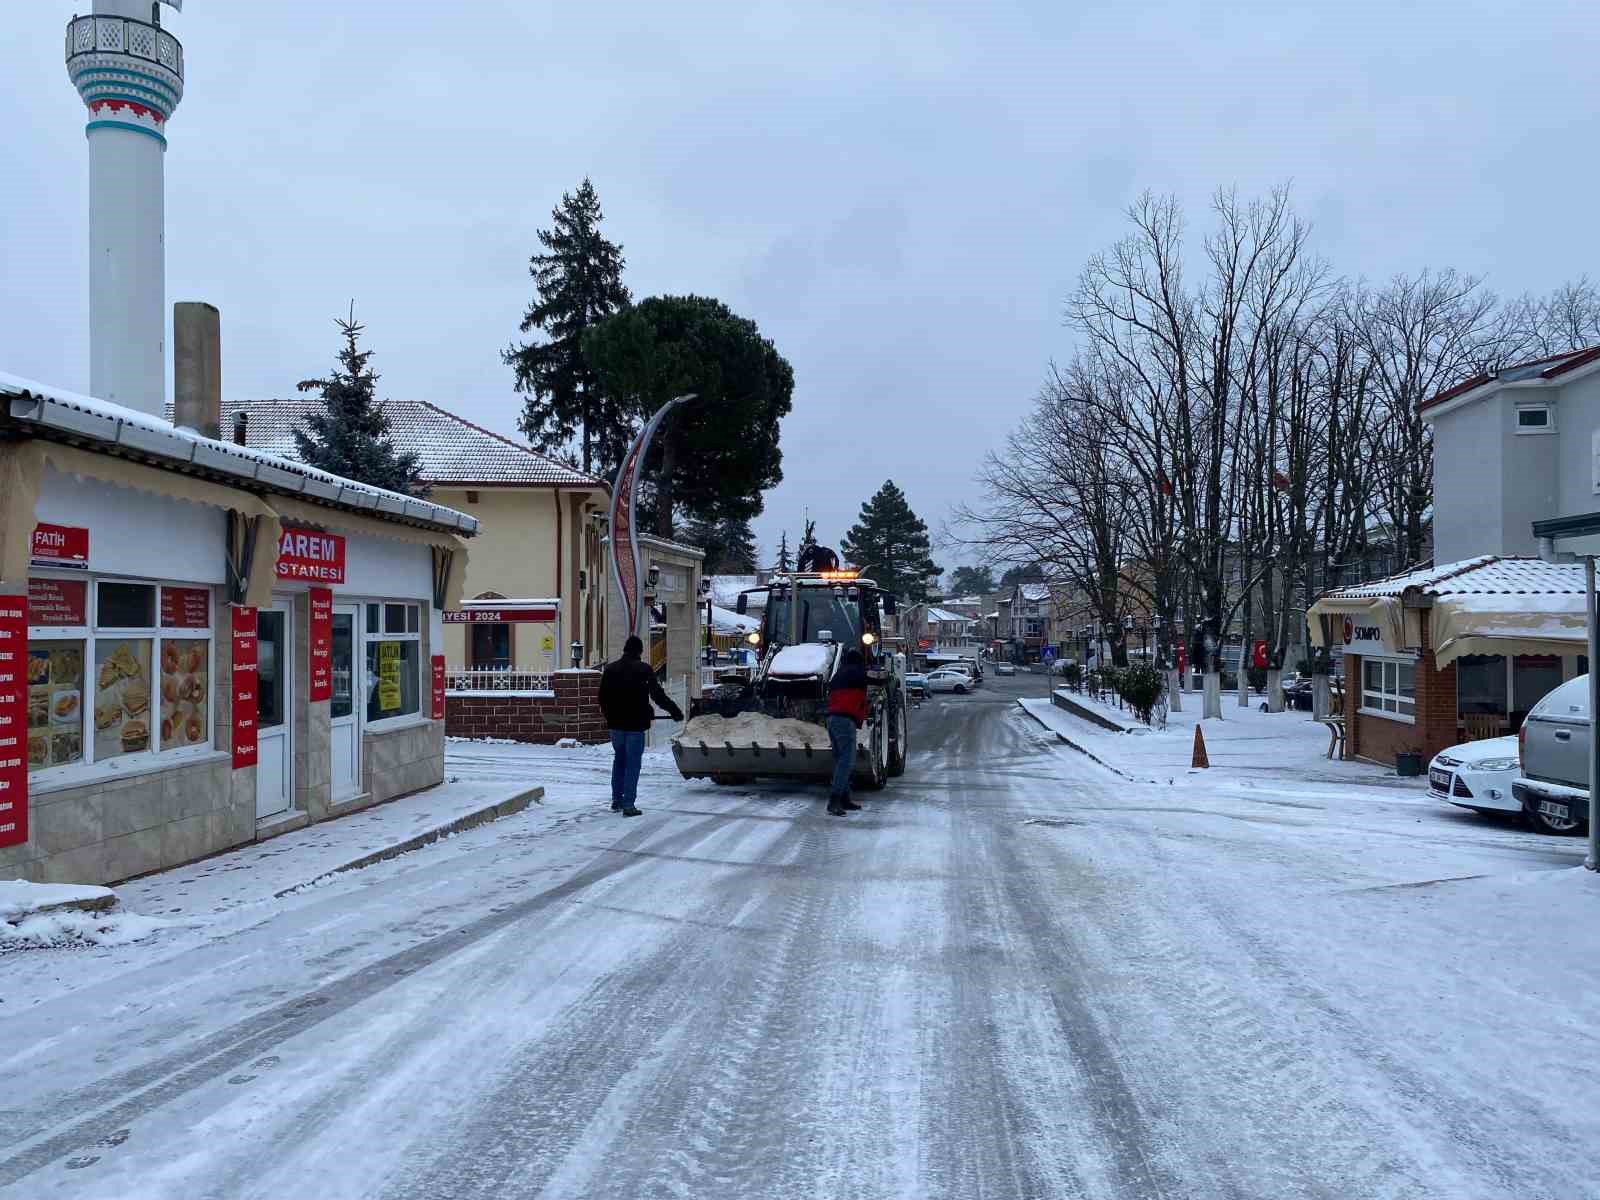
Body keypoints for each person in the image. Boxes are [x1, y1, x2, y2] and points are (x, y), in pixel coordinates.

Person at [598, 635, 684, 817]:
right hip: (635, 725)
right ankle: (629, 804)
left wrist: (609, 716)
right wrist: (675, 711)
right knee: (633, 764)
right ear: (639, 651)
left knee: (619, 760)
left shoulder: (610, 669)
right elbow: (657, 695)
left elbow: (602, 697)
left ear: (625, 649)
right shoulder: (643, 669)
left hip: (615, 725)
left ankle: (617, 800)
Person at [825, 648, 869, 816]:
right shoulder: (858, 673)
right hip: (845, 719)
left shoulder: (837, 674)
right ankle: (834, 801)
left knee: (839, 760)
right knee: (846, 762)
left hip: (831, 719)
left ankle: (844, 798)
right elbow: (863, 698)